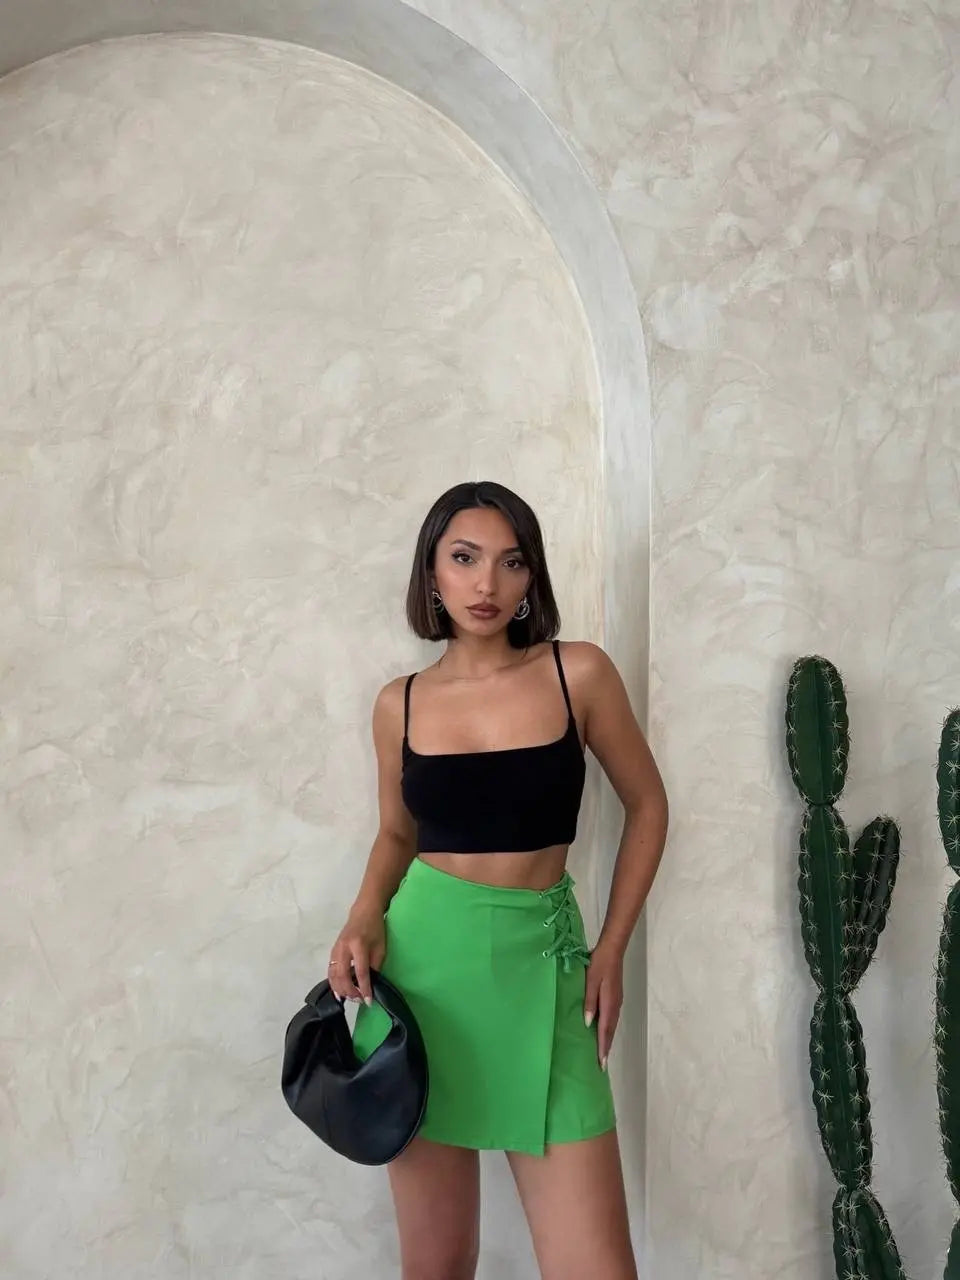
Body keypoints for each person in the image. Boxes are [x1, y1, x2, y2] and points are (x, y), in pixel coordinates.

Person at [328, 480, 669, 1280]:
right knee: (439, 1264)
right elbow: (397, 833)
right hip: (422, 983)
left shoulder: (578, 673)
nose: (487, 583)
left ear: (531, 577)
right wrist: (363, 914)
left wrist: (613, 947)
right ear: (432, 572)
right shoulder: (400, 704)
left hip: (545, 973)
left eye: (511, 562)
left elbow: (648, 805)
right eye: (464, 558)